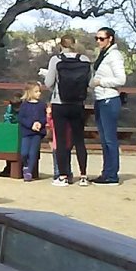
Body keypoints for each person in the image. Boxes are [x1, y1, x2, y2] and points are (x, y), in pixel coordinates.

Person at [43, 35, 91, 186]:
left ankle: (63, 176)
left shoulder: (56, 60)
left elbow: (49, 82)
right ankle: (83, 176)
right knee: (79, 140)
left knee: (62, 141)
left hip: (60, 103)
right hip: (78, 103)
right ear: (74, 45)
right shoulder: (84, 60)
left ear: (60, 45)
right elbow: (89, 83)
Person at [91, 26, 126, 185]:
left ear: (110, 38)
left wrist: (101, 82)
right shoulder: (104, 55)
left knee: (110, 139)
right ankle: (106, 172)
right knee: (104, 139)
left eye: (102, 38)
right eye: (96, 38)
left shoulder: (115, 56)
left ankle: (112, 175)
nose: (98, 41)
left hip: (109, 100)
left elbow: (121, 79)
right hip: (100, 99)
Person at [15, 82, 47, 181]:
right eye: (36, 91)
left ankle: (29, 171)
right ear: (29, 92)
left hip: (37, 133)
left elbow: (44, 117)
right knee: (24, 152)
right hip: (26, 132)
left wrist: (40, 124)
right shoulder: (24, 105)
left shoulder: (42, 105)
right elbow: (21, 118)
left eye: (39, 91)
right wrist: (30, 125)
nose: (39, 93)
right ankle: (25, 165)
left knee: (33, 153)